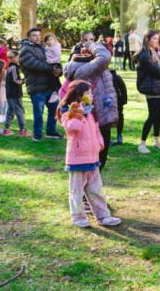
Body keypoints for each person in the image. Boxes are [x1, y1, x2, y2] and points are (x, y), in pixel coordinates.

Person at [58, 80, 122, 228]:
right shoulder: (68, 112)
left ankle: (103, 216)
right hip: (77, 158)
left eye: (91, 93)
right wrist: (79, 111)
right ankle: (79, 217)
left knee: (95, 189)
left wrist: (100, 143)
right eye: (87, 93)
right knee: (77, 191)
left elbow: (96, 129)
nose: (91, 96)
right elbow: (74, 128)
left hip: (92, 157)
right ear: (78, 95)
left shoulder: (91, 111)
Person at [63, 39, 119, 170]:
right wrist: (90, 43)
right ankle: (87, 188)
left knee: (101, 155)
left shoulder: (93, 66)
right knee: (95, 158)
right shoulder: (85, 68)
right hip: (93, 118)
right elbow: (105, 56)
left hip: (101, 115)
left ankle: (92, 186)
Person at [134, 30, 160, 154]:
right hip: (152, 89)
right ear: (148, 39)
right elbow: (156, 71)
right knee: (152, 115)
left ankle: (156, 140)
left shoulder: (154, 51)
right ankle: (142, 143)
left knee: (158, 116)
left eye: (158, 39)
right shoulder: (144, 54)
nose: (157, 41)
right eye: (155, 39)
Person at [19, 28, 63, 142]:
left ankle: (51, 131)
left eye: (39, 35)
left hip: (50, 86)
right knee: (38, 113)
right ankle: (37, 134)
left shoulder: (44, 48)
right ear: (29, 37)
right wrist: (51, 68)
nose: (38, 37)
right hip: (36, 87)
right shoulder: (25, 50)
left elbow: (55, 60)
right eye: (34, 35)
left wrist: (59, 69)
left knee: (54, 110)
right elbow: (34, 64)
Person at [3, 50, 28, 136]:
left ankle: (6, 129)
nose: (19, 59)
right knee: (20, 110)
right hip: (15, 93)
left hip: (9, 93)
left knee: (10, 110)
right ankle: (23, 130)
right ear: (13, 58)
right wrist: (25, 80)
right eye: (18, 57)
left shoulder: (9, 67)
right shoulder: (13, 67)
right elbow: (16, 80)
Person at [109, 69, 127, 146]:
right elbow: (123, 88)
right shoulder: (116, 77)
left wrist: (123, 100)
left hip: (114, 101)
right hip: (115, 100)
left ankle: (118, 135)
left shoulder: (116, 77)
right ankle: (118, 135)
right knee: (118, 117)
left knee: (117, 117)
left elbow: (123, 88)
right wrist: (123, 100)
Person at [44, 33, 64, 103]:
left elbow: (58, 57)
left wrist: (50, 61)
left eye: (51, 40)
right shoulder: (46, 47)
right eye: (48, 40)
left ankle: (54, 92)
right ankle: (62, 90)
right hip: (50, 63)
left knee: (52, 77)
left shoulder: (56, 47)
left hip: (54, 64)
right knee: (55, 79)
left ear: (54, 40)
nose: (50, 42)